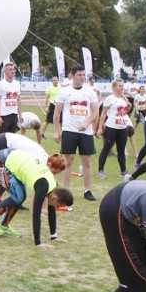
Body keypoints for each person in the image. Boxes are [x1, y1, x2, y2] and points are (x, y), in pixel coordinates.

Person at [0, 148, 70, 244]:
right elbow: (36, 214)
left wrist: (54, 236)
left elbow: (52, 210)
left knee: (20, 197)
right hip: (1, 160)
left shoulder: (53, 186)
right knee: (19, 196)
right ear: (55, 198)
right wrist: (38, 243)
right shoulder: (43, 185)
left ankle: (4, 225)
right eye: (58, 205)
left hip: (12, 158)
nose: (57, 208)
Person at [54, 65, 99, 201]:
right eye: (79, 75)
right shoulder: (64, 91)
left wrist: (86, 123)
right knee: (68, 161)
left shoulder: (90, 91)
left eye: (84, 75)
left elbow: (96, 111)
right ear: (72, 75)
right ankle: (66, 191)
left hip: (86, 132)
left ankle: (87, 190)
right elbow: (57, 113)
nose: (82, 77)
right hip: (69, 130)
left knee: (86, 161)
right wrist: (57, 131)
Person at [97, 79, 131, 179]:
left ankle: (123, 171)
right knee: (106, 148)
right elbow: (103, 114)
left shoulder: (124, 99)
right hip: (112, 127)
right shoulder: (109, 99)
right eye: (119, 86)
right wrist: (100, 127)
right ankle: (100, 170)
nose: (122, 87)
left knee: (121, 150)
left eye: (122, 86)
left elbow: (124, 113)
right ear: (114, 88)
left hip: (122, 128)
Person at [0, 62, 22, 134]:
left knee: (12, 136)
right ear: (5, 71)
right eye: (10, 69)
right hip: (4, 115)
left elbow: (18, 100)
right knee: (3, 135)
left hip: (14, 114)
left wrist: (20, 114)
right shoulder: (1, 84)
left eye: (13, 69)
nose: (12, 71)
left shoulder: (17, 84)